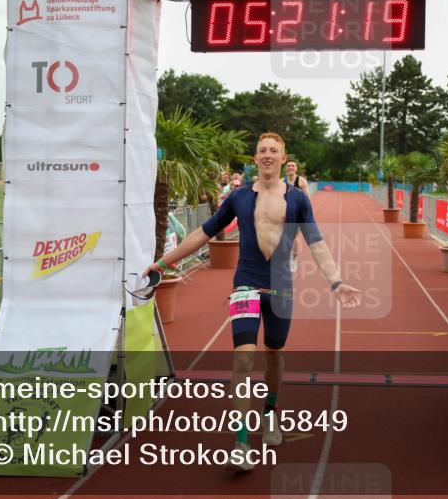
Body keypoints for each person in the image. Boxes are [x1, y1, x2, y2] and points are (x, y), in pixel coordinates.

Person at [148, 132, 361, 471]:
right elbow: (202, 233)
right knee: (243, 361)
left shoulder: (297, 199)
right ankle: (241, 442)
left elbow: (316, 243)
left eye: (273, 150)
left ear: (283, 156)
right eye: (262, 150)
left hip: (280, 288)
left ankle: (271, 413)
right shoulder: (238, 197)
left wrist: (335, 281)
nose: (267, 155)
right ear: (255, 157)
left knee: (274, 354)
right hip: (245, 285)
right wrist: (163, 262)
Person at [284, 161, 310, 273]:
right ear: (286, 169)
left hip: (297, 214)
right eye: (288, 165)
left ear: (296, 169)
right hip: (284, 213)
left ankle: (294, 258)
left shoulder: (301, 181)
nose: (290, 167)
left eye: (293, 165)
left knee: (294, 238)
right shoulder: (281, 181)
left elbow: (307, 199)